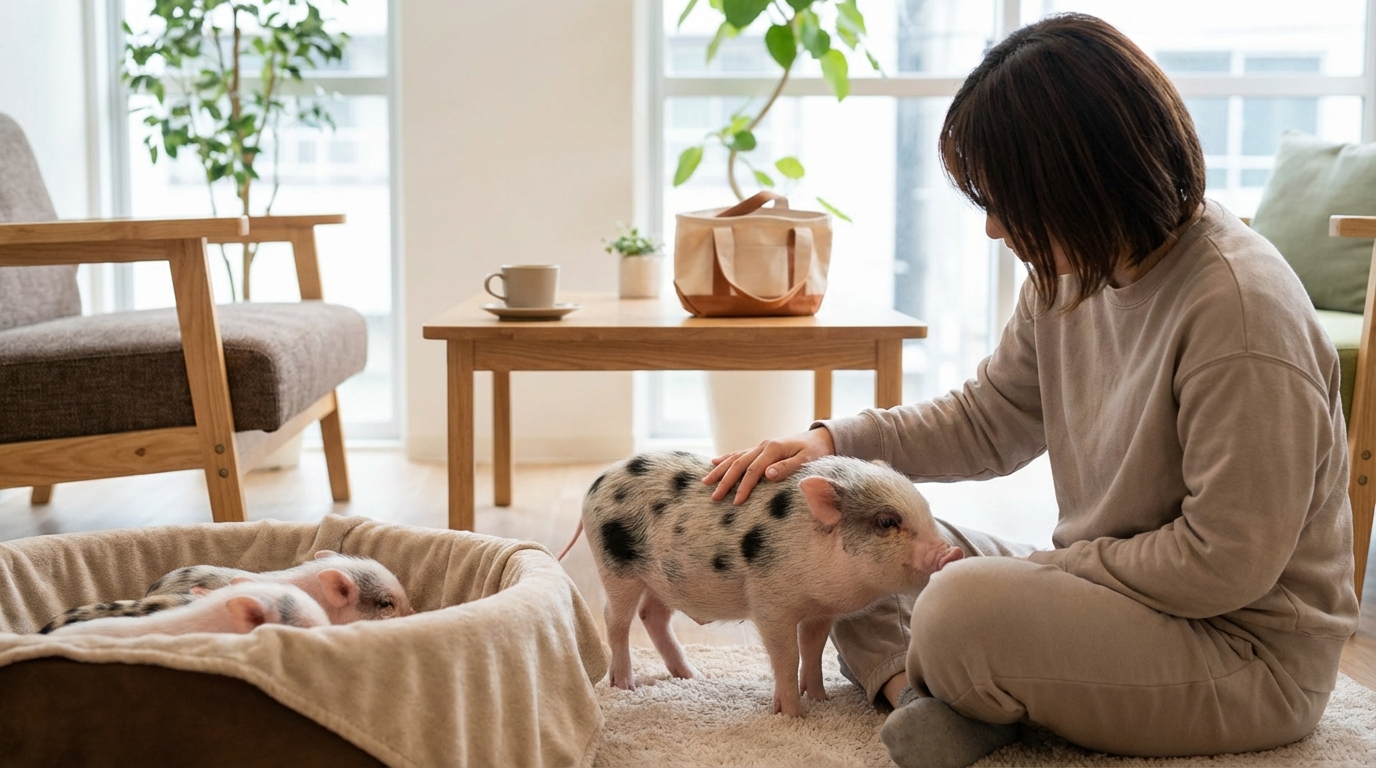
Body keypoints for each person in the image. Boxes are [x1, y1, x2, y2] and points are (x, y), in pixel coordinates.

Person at [703, 12, 1360, 768]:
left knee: (956, 604)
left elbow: (1223, 565)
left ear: (1078, 179)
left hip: (1243, 654)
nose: (992, 229)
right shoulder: (1075, 270)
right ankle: (923, 694)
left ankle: (971, 688)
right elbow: (989, 419)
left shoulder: (1241, 313)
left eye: (1003, 200)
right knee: (858, 547)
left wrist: (1041, 571)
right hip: (1122, 593)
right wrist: (830, 442)